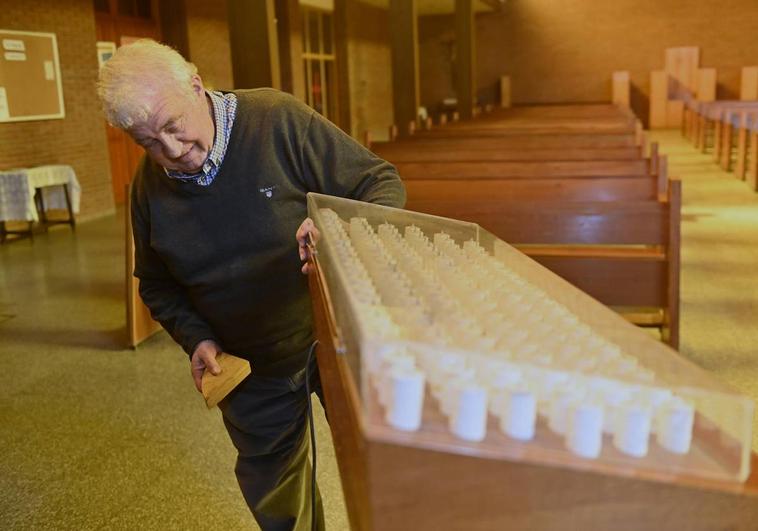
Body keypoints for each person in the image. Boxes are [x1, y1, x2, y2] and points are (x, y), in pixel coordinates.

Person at [97, 39, 405, 530]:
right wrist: (195, 336)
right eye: (149, 143)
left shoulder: (276, 120)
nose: (173, 152)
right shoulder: (146, 189)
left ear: (196, 86)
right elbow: (156, 283)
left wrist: (339, 228)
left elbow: (380, 183)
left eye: (174, 127)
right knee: (281, 500)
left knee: (384, 469)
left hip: (336, 333)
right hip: (250, 363)